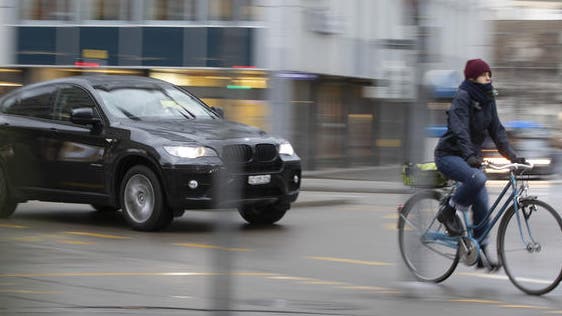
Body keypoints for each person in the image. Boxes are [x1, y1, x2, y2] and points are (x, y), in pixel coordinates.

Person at [433, 58, 525, 271]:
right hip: (449, 155)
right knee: (477, 178)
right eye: (485, 74)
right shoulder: (462, 97)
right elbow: (459, 129)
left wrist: (513, 156)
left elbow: (497, 130)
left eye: (490, 74)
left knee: (483, 204)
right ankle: (448, 211)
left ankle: (480, 251)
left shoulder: (487, 100)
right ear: (473, 77)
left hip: (469, 157)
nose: (489, 77)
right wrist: (469, 155)